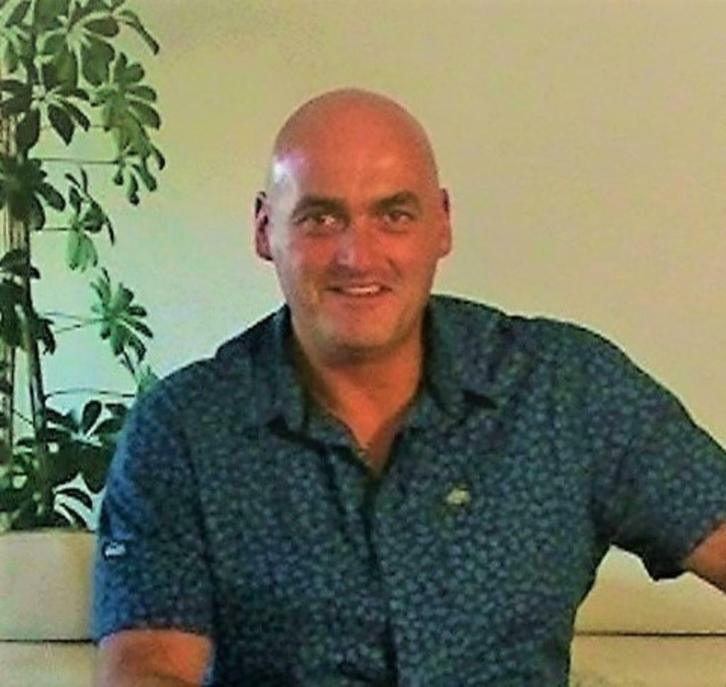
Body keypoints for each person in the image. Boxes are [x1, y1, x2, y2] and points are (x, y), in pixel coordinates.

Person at [92, 88, 726, 687]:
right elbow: (146, 666)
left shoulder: (567, 390)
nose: (357, 257)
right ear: (265, 230)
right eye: (320, 219)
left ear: (441, 225)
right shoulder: (184, 430)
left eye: (393, 215)